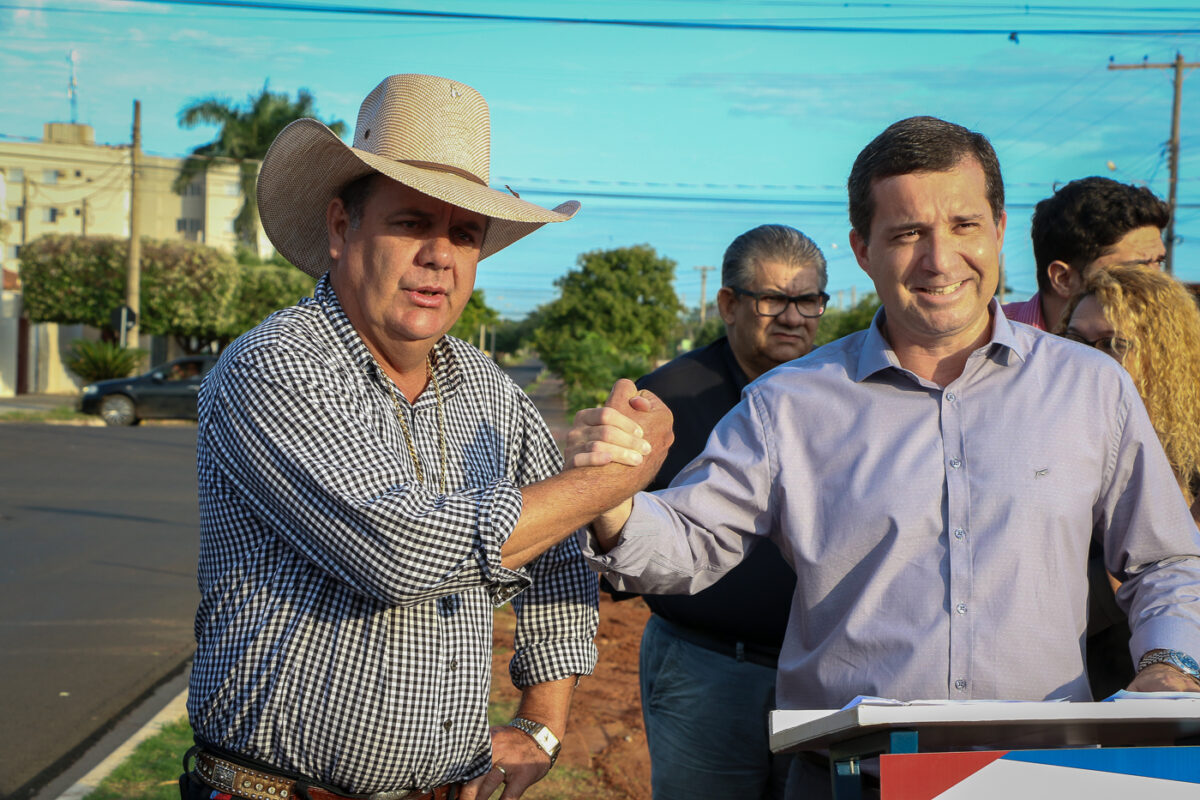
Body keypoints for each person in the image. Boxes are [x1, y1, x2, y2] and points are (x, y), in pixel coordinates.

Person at [566, 116, 1200, 799]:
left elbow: (1163, 558)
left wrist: (1169, 664)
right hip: (850, 782)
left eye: (963, 225)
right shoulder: (788, 404)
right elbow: (690, 540)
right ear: (862, 250)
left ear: (997, 230)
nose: (939, 259)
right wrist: (612, 499)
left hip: (1040, 779)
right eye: (907, 234)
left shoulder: (1091, 386)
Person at [184, 74, 672, 800]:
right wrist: (613, 478)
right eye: (412, 223)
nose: (440, 255)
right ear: (342, 229)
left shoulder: (489, 391)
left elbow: (562, 559)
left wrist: (541, 725)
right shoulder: (277, 365)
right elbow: (395, 549)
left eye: (464, 234)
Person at [630, 224, 827, 800]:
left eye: (807, 300)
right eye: (772, 300)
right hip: (706, 670)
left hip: (821, 676)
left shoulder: (844, 394)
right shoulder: (666, 399)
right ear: (728, 304)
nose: (792, 318)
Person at [1063, 264, 1200, 520]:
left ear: (1162, 355)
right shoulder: (1055, 440)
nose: (1088, 357)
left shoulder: (1191, 453)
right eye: (1074, 340)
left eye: (1112, 344)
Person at [1003, 176, 1169, 331]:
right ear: (1064, 279)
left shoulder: (1171, 345)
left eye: (1158, 262)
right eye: (1138, 270)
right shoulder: (991, 340)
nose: (1160, 285)